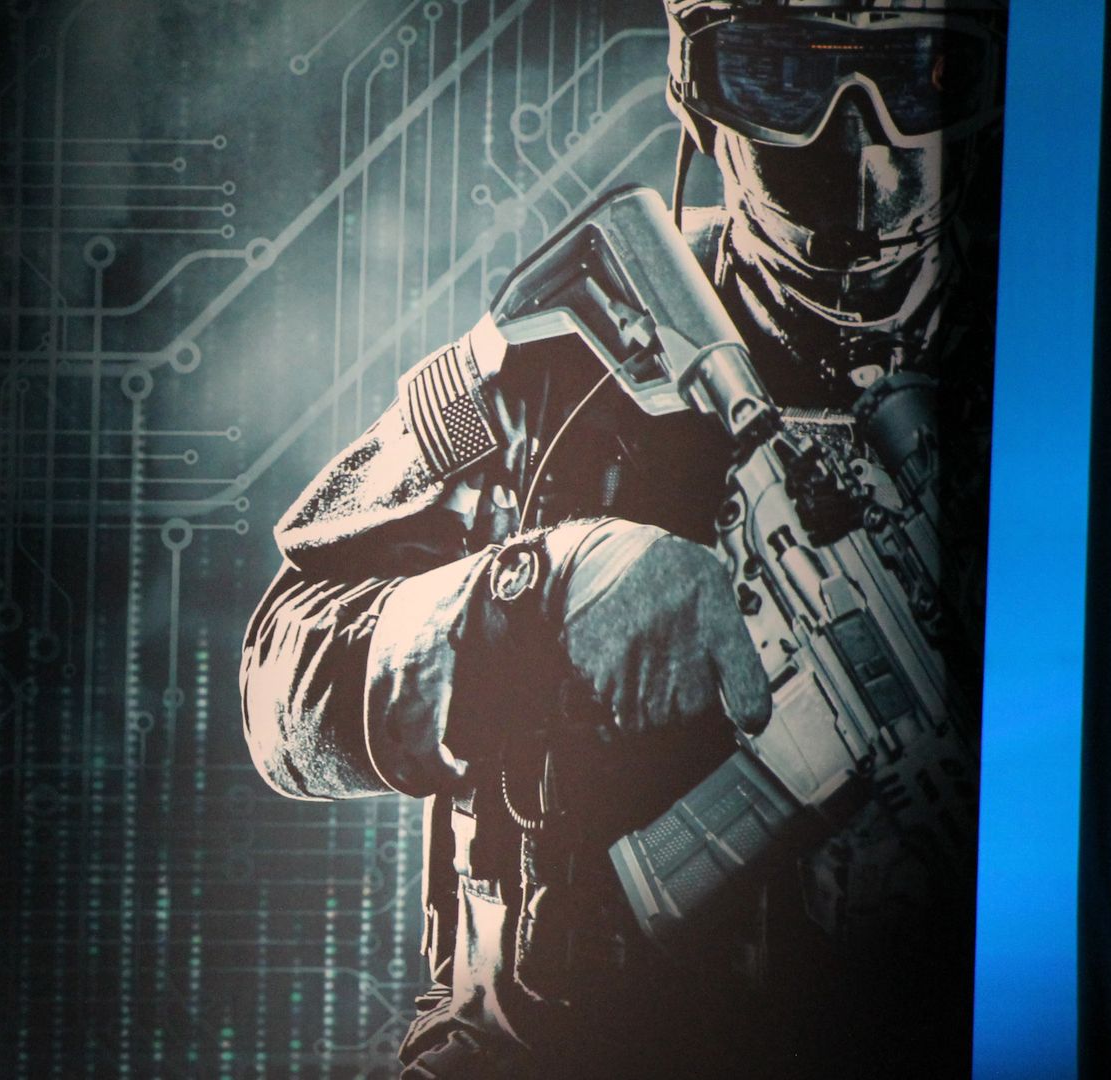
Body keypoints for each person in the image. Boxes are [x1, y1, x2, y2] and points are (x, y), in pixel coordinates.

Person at [239, 1, 1001, 1075]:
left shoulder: (1060, 395)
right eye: (783, 81)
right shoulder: (559, 353)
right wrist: (531, 594)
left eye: (920, 80)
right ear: (700, 94)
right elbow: (282, 685)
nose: (858, 151)